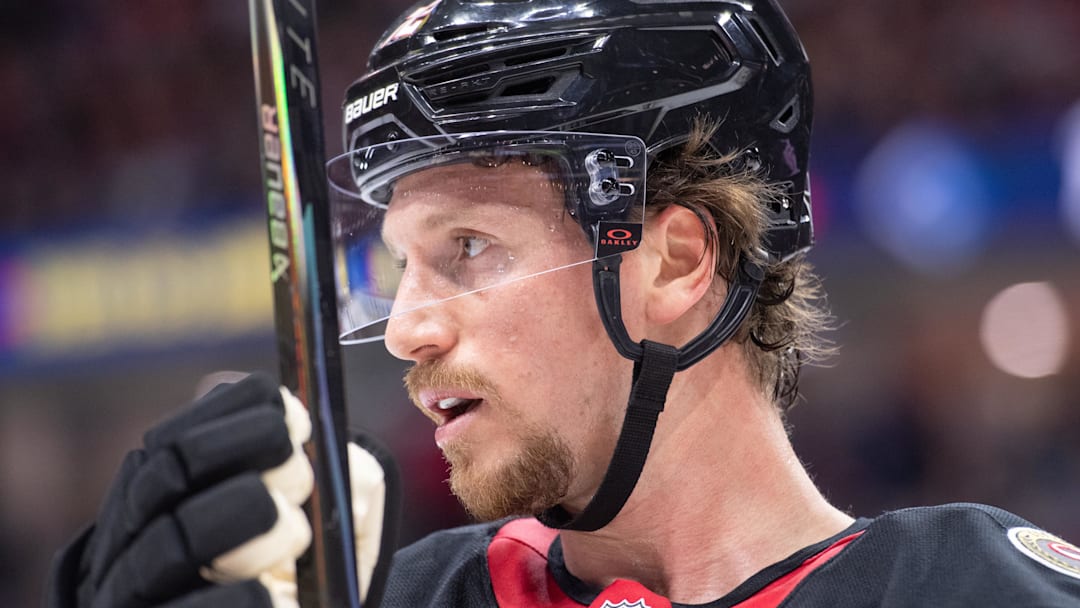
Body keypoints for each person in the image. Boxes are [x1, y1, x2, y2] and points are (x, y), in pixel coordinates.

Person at [48, 0, 1080, 607]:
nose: (408, 326)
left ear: (675, 260)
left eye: (469, 247)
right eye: (401, 266)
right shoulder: (393, 596)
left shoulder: (975, 587)